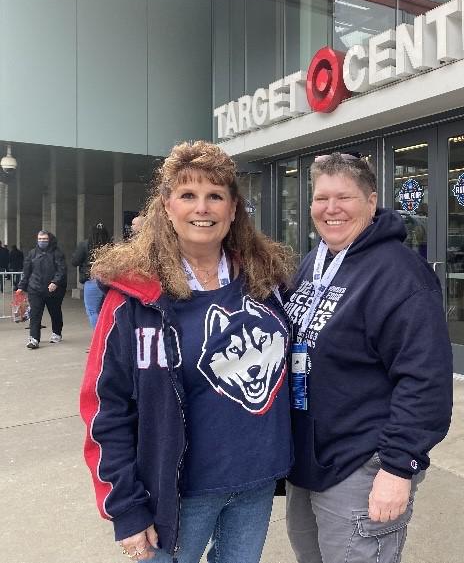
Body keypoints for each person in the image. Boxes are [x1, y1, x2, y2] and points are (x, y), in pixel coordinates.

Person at [79, 141, 293, 563]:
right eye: (188, 195)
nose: (203, 208)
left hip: (256, 480)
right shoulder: (134, 298)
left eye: (216, 196)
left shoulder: (267, 283)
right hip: (174, 495)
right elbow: (106, 408)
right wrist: (125, 506)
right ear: (167, 207)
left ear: (233, 209)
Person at [282, 152, 453, 563]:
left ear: (371, 202)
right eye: (321, 198)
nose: (331, 208)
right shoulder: (313, 263)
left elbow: (424, 381)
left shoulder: (400, 274)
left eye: (344, 197)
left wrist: (397, 469)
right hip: (310, 459)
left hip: (363, 464)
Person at [18, 231, 67, 349]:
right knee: (35, 314)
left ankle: (56, 333)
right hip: (35, 289)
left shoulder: (57, 253)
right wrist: (21, 286)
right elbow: (27, 271)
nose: (42, 241)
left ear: (49, 239)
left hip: (53, 290)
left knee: (55, 312)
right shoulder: (32, 253)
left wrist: (55, 282)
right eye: (40, 238)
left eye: (45, 239)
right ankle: (34, 338)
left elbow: (61, 270)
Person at [72, 223, 111, 328]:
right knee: (106, 311)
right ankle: (108, 335)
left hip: (92, 280)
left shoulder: (85, 244)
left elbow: (75, 261)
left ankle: (100, 337)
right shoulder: (111, 245)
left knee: (93, 311)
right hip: (110, 281)